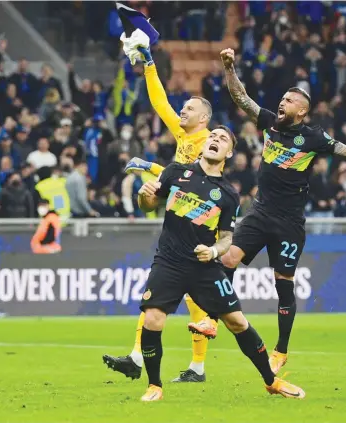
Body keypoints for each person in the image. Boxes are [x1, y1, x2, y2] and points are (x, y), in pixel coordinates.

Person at [189, 48, 346, 376]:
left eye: (290, 101)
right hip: (260, 212)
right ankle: (211, 317)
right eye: (282, 98)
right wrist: (229, 67)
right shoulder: (269, 122)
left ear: (303, 110)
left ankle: (281, 349)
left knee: (283, 283)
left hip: (289, 222)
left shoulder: (313, 138)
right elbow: (240, 97)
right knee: (226, 260)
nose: (282, 103)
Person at [135, 126, 305, 401]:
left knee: (237, 322)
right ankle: (154, 385)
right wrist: (144, 196)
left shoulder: (227, 194)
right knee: (153, 319)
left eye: (223, 139)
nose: (215, 140)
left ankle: (272, 381)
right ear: (203, 146)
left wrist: (214, 251)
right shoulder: (176, 172)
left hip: (204, 267)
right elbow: (149, 205)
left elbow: (227, 238)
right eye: (212, 136)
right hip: (169, 262)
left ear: (229, 152)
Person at [102, 28, 221, 383]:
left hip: (201, 227)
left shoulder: (209, 143)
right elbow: (160, 103)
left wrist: (149, 166)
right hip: (180, 223)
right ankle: (160, 362)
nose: (181, 111)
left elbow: (188, 175)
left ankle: (158, 361)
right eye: (183, 108)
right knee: (181, 296)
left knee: (194, 300)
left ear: (204, 118)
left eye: (189, 109)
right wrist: (149, 62)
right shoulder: (186, 136)